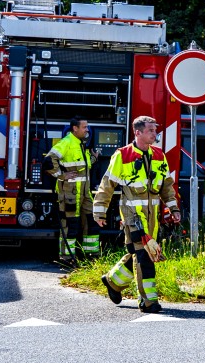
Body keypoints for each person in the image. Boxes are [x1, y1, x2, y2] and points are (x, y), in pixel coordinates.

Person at [92, 116, 180, 312]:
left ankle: (113, 281)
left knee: (137, 253)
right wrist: (99, 212)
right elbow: (107, 185)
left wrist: (173, 208)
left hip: (152, 217)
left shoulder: (159, 155)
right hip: (133, 216)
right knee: (144, 255)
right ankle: (148, 301)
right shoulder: (122, 155)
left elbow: (167, 186)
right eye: (150, 130)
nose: (154, 134)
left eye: (155, 130)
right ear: (137, 132)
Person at [46, 117, 98, 260]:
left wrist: (94, 158)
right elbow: (48, 161)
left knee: (91, 222)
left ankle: (91, 257)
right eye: (84, 127)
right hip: (70, 193)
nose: (87, 130)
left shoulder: (82, 145)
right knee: (70, 226)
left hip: (85, 194)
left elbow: (82, 167)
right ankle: (67, 258)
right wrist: (62, 176)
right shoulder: (67, 143)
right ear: (75, 128)